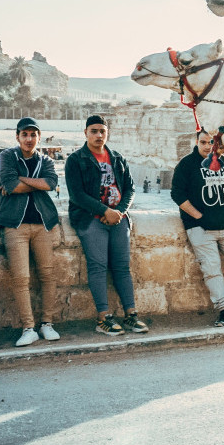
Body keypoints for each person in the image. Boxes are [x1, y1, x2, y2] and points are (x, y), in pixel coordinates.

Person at [65, 114, 145, 335]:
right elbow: (77, 195)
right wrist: (104, 211)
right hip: (91, 220)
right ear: (86, 133)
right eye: (94, 131)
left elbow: (130, 189)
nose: (99, 135)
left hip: (118, 219)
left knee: (122, 267)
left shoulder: (117, 158)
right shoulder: (76, 160)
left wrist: (119, 212)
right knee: (98, 267)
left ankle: (131, 315)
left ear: (107, 133)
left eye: (102, 131)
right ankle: (103, 318)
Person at [171, 129, 224, 327]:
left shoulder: (223, 161)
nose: (208, 146)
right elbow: (177, 195)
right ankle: (223, 310)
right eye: (203, 142)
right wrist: (200, 217)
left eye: (212, 143)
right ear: (196, 142)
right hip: (199, 227)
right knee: (211, 269)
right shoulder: (186, 164)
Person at [0, 117, 61, 347]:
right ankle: (28, 327)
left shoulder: (45, 159)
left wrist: (20, 179)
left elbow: (51, 183)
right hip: (16, 225)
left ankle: (47, 323)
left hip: (43, 223)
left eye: (33, 135)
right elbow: (10, 185)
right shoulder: (7, 156)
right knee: (21, 277)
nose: (29, 138)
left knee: (48, 274)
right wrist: (33, 182)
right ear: (17, 137)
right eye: (25, 134)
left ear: (39, 137)